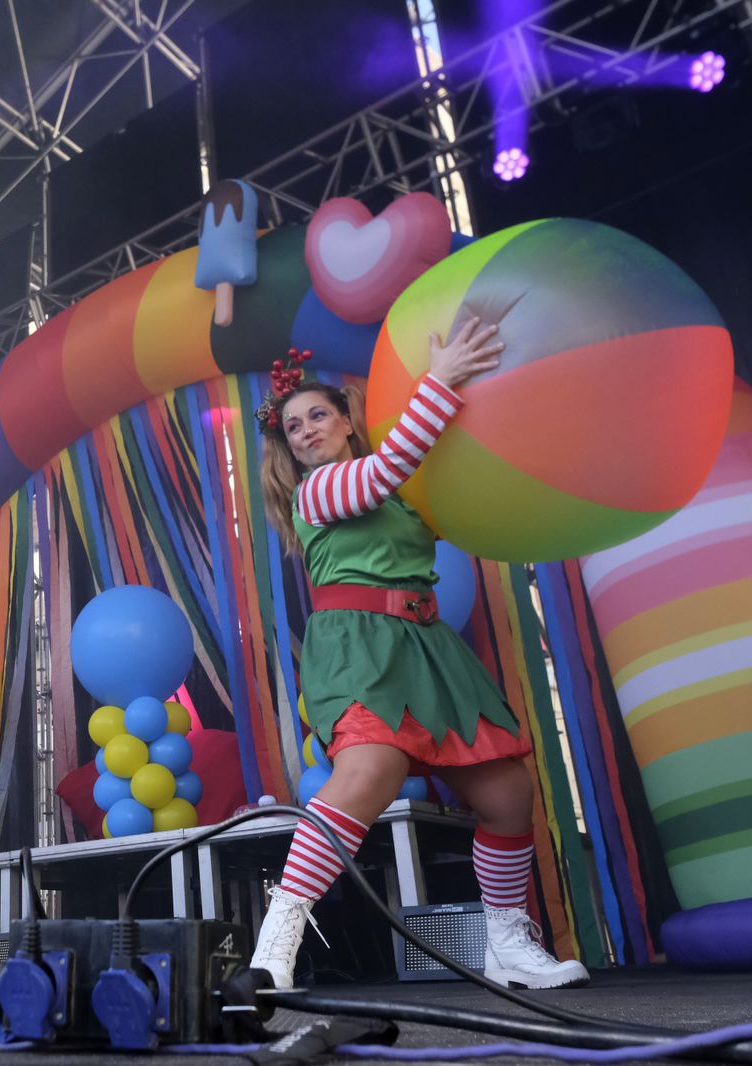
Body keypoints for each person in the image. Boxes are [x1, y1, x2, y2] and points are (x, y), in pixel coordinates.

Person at [249, 326, 589, 991]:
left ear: (348, 420)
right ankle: (277, 940)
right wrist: (443, 379)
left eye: (318, 414)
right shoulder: (319, 492)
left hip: (430, 647)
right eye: (293, 427)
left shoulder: (405, 496)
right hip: (359, 644)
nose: (306, 430)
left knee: (507, 792)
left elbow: (458, 495)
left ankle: (505, 942)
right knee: (371, 766)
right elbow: (382, 471)